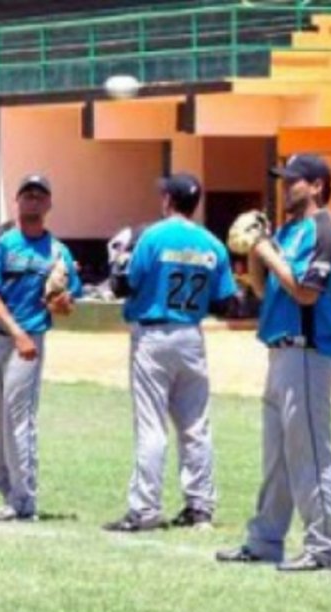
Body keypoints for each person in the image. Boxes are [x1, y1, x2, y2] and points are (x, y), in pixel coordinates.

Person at [215, 153, 331, 571]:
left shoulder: (323, 229)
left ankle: (324, 547)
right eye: (283, 179)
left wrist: (267, 250)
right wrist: (256, 251)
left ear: (317, 185)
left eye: (293, 180)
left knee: (308, 451)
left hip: (308, 350)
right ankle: (265, 539)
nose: (284, 186)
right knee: (276, 454)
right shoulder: (290, 229)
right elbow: (261, 287)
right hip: (280, 351)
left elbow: (307, 292)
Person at [102, 173, 237, 532]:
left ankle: (145, 510)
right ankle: (200, 508)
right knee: (196, 425)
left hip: (153, 335)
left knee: (152, 426)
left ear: (168, 201)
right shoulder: (212, 243)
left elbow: (123, 285)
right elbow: (226, 304)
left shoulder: (152, 236)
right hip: (192, 336)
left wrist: (116, 259)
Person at [0, 174, 81, 522]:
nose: (33, 200)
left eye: (40, 196)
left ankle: (23, 499)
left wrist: (61, 300)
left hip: (30, 341)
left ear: (49, 204)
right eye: (27, 195)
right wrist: (15, 332)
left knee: (18, 417)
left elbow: (65, 305)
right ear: (16, 201)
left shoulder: (58, 251)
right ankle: (5, 490)